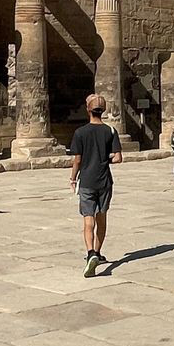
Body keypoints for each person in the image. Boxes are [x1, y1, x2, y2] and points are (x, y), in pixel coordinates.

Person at [70, 94, 122, 278]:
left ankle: (90, 252)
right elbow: (118, 158)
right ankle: (98, 253)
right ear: (104, 111)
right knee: (102, 218)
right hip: (104, 181)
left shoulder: (80, 132)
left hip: (87, 181)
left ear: (88, 110)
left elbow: (77, 160)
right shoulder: (111, 131)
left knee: (88, 218)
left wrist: (72, 178)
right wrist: (105, 158)